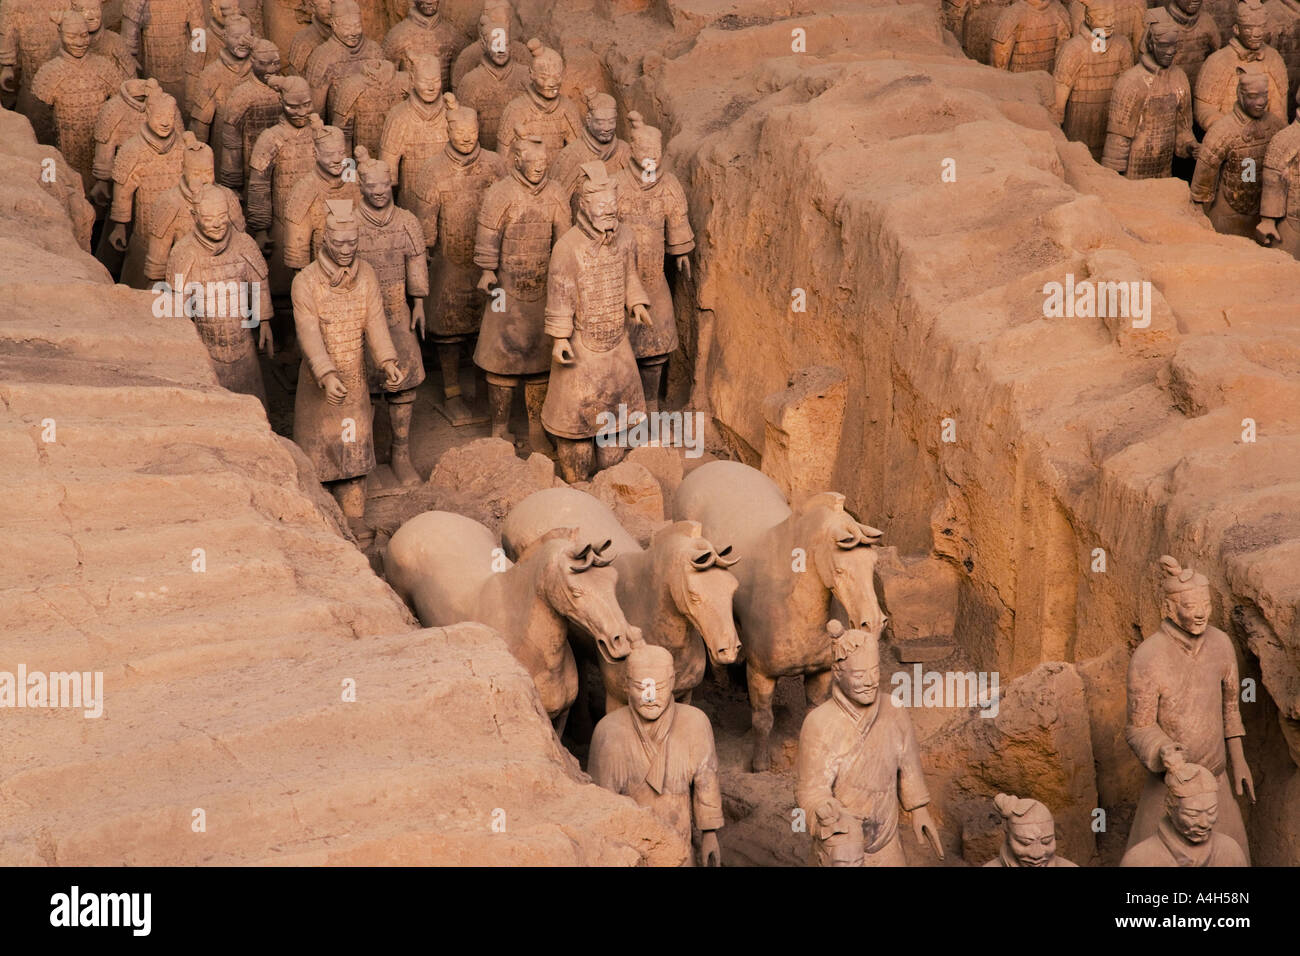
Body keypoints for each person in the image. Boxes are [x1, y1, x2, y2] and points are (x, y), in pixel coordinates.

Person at [795, 620, 944, 866]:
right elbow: (810, 790)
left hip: (886, 842)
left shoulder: (894, 710)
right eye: (859, 674)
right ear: (838, 673)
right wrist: (826, 812)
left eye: (874, 671)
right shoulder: (819, 722)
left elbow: (908, 764)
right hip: (841, 850)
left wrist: (919, 809)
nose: (870, 681)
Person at [589, 645, 724, 867]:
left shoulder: (695, 724)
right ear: (625, 684)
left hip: (680, 847)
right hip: (629, 851)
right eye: (640, 687)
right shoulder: (608, 732)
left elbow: (706, 782)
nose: (650, 697)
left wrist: (710, 834)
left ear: (673, 682)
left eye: (659, 687)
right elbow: (601, 808)